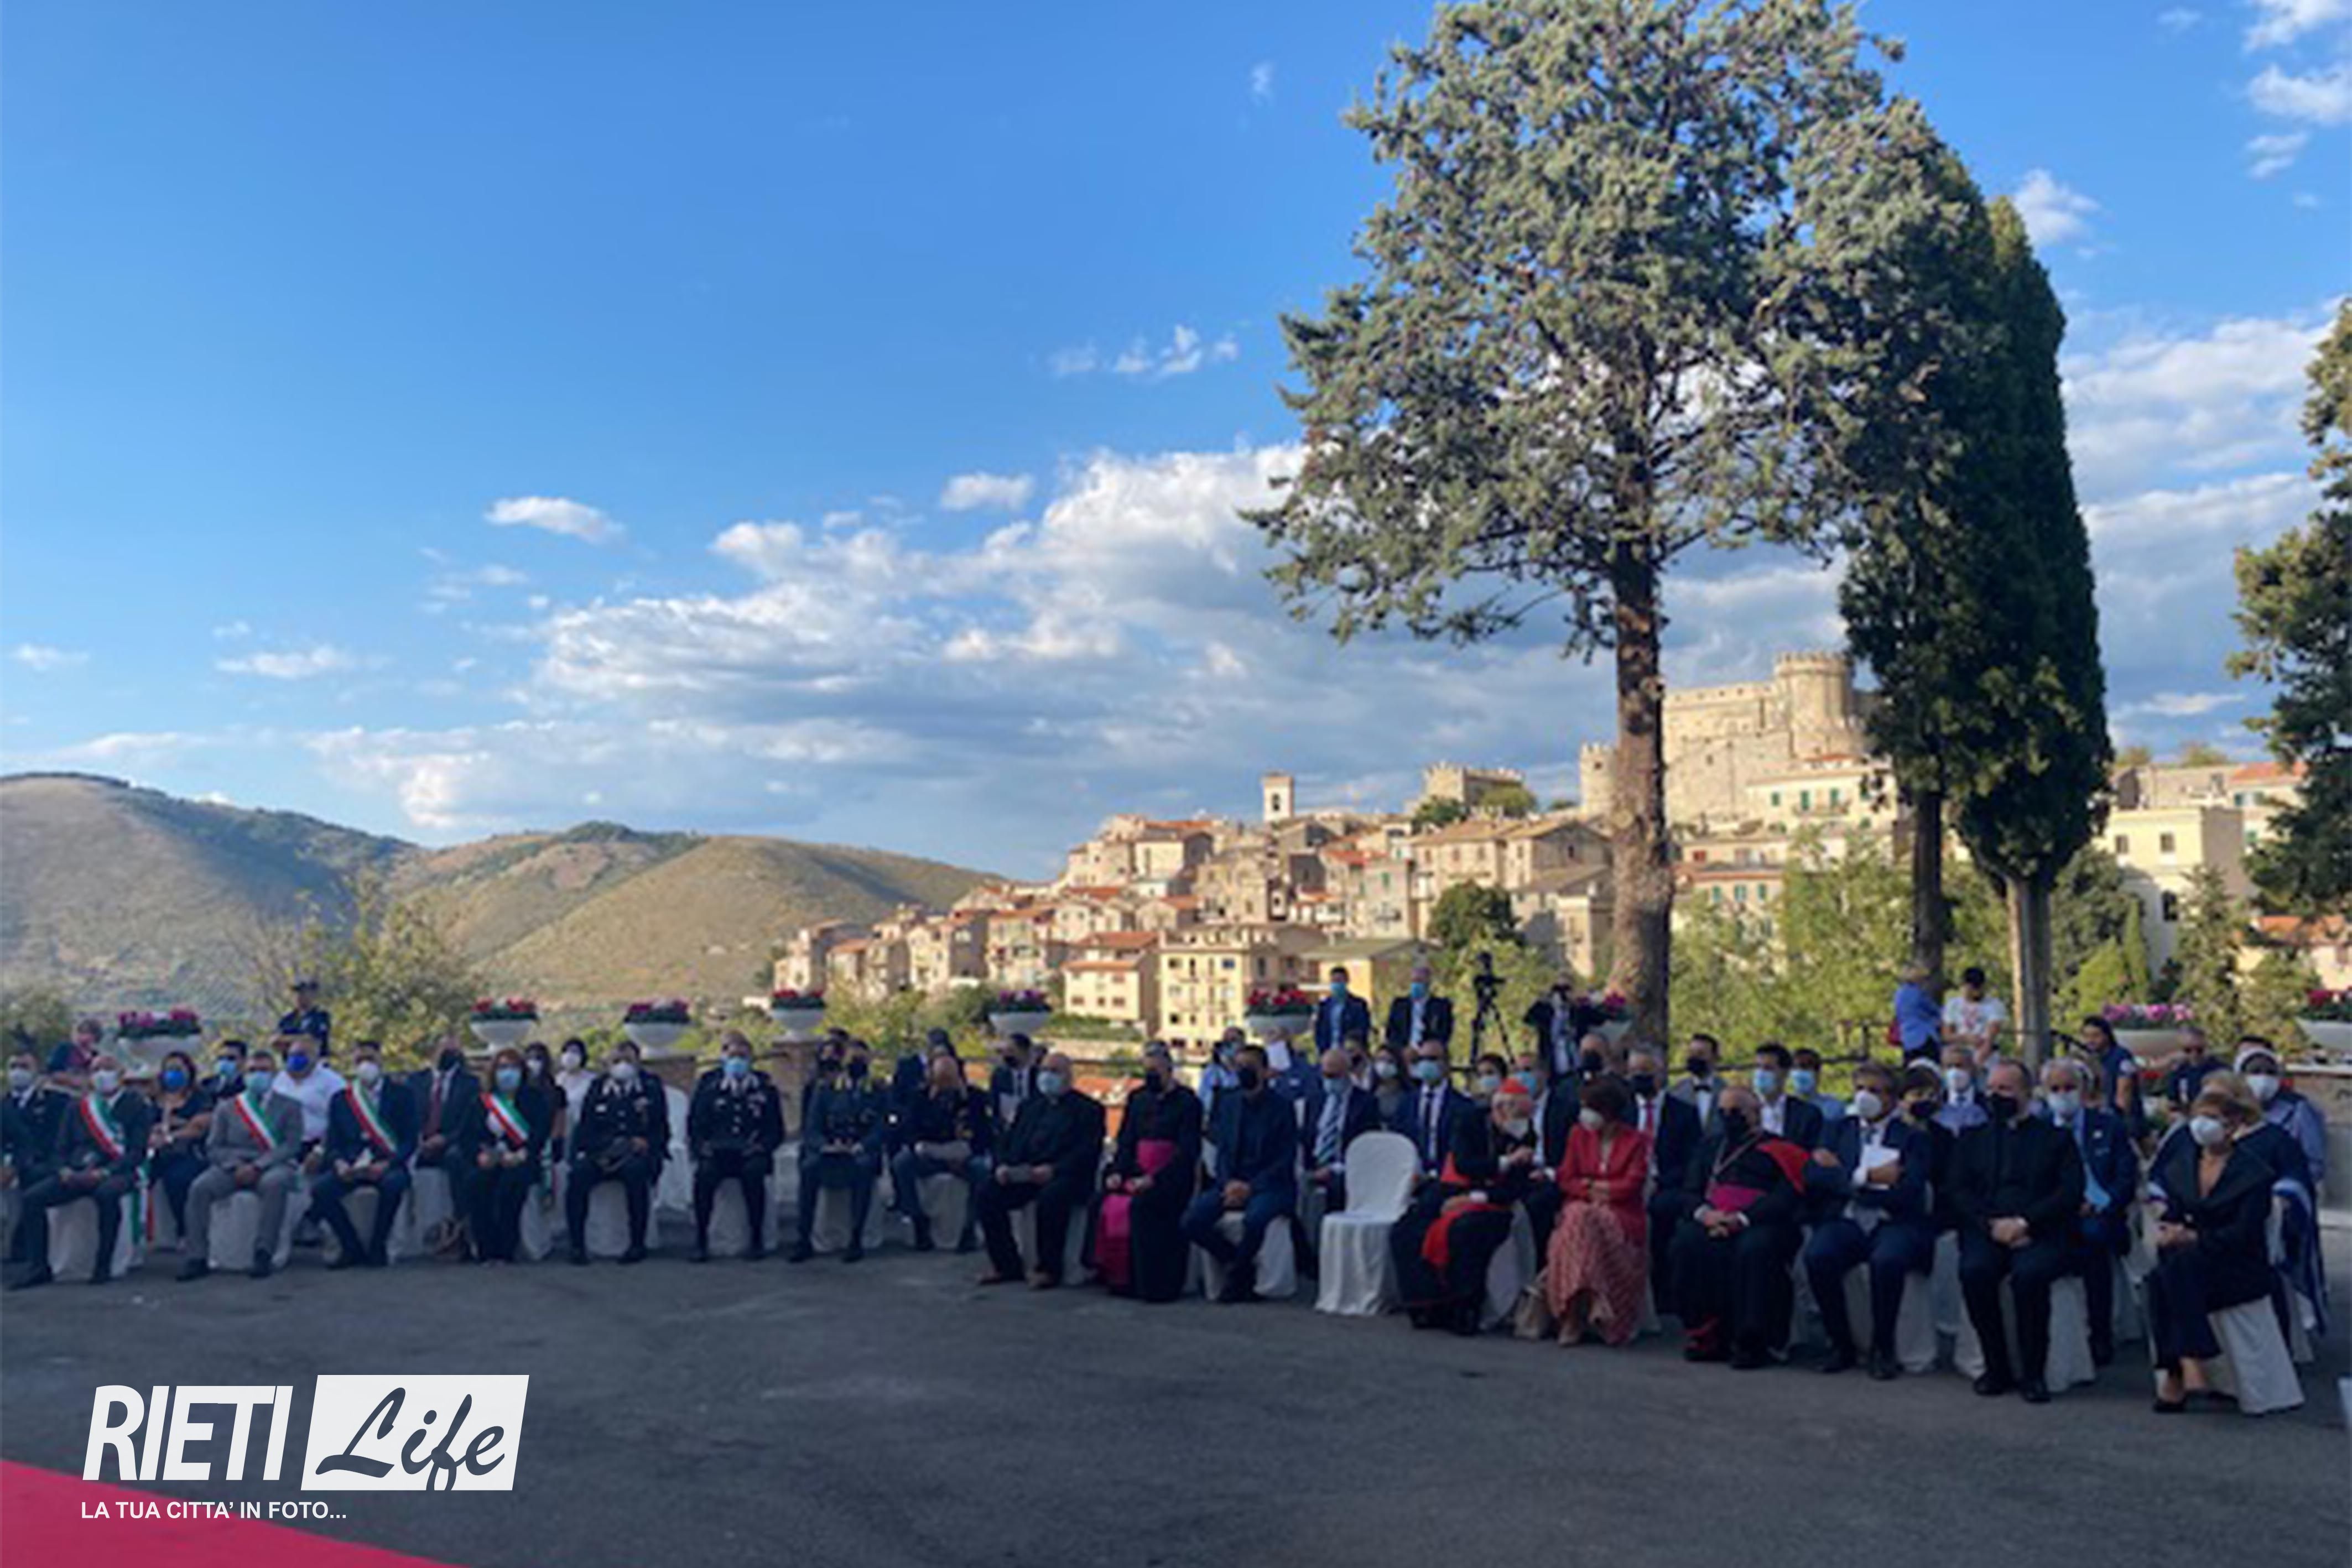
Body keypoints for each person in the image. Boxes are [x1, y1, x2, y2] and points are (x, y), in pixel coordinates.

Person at [1949, 1060, 2085, 1403]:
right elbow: (1958, 1191)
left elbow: (2069, 1192)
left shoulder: (2056, 1139)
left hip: (2041, 1230)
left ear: (2027, 1093)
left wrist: (2026, 1222)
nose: (1997, 1096)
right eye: (1992, 1089)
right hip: (1989, 1229)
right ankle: (1996, 1367)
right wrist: (1990, 1225)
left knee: (2030, 1277)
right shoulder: (1972, 1139)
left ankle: (2034, 1372)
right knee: (1974, 1271)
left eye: (2006, 1089)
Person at [2145, 1075, 2281, 1413]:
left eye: (2213, 1118)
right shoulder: (2183, 1166)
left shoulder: (2254, 1174)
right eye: (2199, 1117)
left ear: (2233, 1125)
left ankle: (2180, 1369)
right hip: (2191, 1265)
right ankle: (2187, 1360)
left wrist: (2195, 1238)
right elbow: (2175, 1212)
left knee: (2171, 1274)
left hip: (2236, 1265)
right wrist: (2170, 1229)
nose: (2203, 1125)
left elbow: (2244, 1234)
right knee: (2164, 1276)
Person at [1801, 1062, 1933, 1378]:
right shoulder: (1837, 1129)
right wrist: (1867, 1177)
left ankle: (1883, 1347)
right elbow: (1814, 1177)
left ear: (1892, 1098)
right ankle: (1840, 1344)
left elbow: (1908, 1191)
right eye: (1860, 1089)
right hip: (1846, 1220)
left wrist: (1843, 1176)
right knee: (1818, 1255)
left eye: (1875, 1091)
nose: (1865, 1097)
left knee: (1887, 1261)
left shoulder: (1912, 1137)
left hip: (1893, 1222)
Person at [1669, 1083, 1808, 1368]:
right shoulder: (1710, 1148)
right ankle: (1707, 1336)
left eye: (1736, 1111)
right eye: (1723, 1112)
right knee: (1686, 1242)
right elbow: (1690, 1190)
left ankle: (1752, 1342)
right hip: (1714, 1217)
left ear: (1755, 1112)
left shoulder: (1782, 1149)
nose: (1728, 1118)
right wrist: (1706, 1215)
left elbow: (1786, 1197)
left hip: (1761, 1222)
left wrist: (1742, 1219)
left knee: (1754, 1249)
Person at [1391, 1074, 1541, 1333]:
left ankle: (1463, 1308)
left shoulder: (1526, 1135)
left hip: (1492, 1199)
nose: (1523, 1122)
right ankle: (1423, 1305)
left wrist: (1475, 1198)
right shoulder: (1470, 1121)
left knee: (1465, 1231)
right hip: (1453, 1186)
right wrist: (1506, 1162)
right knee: (1407, 1230)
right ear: (1501, 1109)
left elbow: (1518, 1186)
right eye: (1519, 1115)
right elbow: (1464, 1164)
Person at [9, 1053, 153, 1288]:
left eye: (108, 1068)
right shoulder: (78, 1107)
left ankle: (103, 1265)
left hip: (117, 1170)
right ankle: (38, 1266)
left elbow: (137, 1152)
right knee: (33, 1198)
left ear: (120, 1074)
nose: (102, 1075)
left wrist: (105, 1172)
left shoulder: (136, 1106)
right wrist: (63, 1170)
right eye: (96, 1070)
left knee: (107, 1195)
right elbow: (60, 1148)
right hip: (77, 1170)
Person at [1183, 1044, 1301, 1303]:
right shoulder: (1229, 1103)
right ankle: (1237, 1264)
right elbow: (1223, 1152)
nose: (1243, 1072)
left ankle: (1237, 1280)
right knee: (1192, 1220)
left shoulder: (1282, 1108)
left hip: (1270, 1185)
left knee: (1255, 1219)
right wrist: (1228, 1184)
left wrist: (1251, 1188)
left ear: (1265, 1071)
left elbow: (1284, 1159)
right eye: (1239, 1067)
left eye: (1249, 1067)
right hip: (1232, 1182)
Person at [975, 1051, 1104, 1288]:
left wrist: (1054, 1169)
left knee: (1052, 1198)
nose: (1047, 1076)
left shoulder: (1089, 1110)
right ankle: (1006, 1264)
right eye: (1044, 1070)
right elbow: (1009, 1141)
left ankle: (1049, 1269)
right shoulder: (1030, 1107)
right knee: (987, 1193)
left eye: (1054, 1072)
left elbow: (1087, 1152)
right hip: (1027, 1173)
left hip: (1065, 1176)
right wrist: (1004, 1166)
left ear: (1069, 1076)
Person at [1541, 1074, 1652, 1346]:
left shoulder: (1636, 1141)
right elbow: (1566, 1178)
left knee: (1581, 1221)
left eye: (1589, 1107)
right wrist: (1594, 1189)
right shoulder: (1577, 1135)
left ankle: (1579, 1314)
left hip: (1621, 1216)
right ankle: (1577, 1310)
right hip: (1582, 1210)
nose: (1584, 1114)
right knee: (1580, 1219)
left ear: (1607, 1111)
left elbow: (1632, 1184)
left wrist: (1595, 1189)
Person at [2041, 1055, 2138, 1366]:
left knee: (2095, 1240)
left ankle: (2100, 1334)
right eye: (2055, 1088)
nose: (2063, 1094)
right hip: (2053, 1215)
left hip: (2101, 1212)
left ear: (2083, 1090)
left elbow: (2126, 1176)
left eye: (2069, 1087)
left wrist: (2104, 1203)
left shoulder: (2109, 1126)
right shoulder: (2038, 1130)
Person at [178, 1044, 301, 1282]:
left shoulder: (290, 1106)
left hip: (272, 1164)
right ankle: (197, 1256)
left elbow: (291, 1145)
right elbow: (214, 1146)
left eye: (264, 1071)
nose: (258, 1076)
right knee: (199, 1188)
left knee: (276, 1185)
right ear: (245, 1074)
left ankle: (264, 1252)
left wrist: (259, 1166)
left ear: (275, 1074)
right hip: (232, 1165)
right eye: (253, 1071)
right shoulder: (227, 1107)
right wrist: (235, 1166)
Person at [1098, 1044, 1202, 1301]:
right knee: (1103, 1201)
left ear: (1169, 1069)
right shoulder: (1138, 1099)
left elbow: (1187, 1151)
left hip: (1171, 1177)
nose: (1152, 1076)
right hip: (1137, 1171)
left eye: (1156, 1071)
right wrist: (1119, 1172)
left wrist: (1154, 1179)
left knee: (1145, 1207)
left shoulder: (1188, 1102)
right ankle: (1119, 1279)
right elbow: (1127, 1141)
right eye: (1147, 1072)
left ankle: (1154, 1285)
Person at [311, 1041, 417, 1269]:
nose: (365, 1065)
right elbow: (333, 1142)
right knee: (320, 1190)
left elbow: (410, 1140)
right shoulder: (342, 1099)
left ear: (381, 1061)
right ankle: (351, 1246)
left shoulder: (403, 1095)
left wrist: (389, 1163)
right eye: (360, 1060)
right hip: (352, 1164)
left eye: (370, 1059)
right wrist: (340, 1163)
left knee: (393, 1185)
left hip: (387, 1163)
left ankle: (378, 1245)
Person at [566, 1039, 670, 1263]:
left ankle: (637, 1244)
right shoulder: (598, 1088)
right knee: (578, 1176)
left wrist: (645, 1143)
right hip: (602, 1152)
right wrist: (604, 1147)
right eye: (617, 1060)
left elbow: (661, 1129)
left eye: (628, 1060)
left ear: (638, 1063)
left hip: (636, 1155)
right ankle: (577, 1245)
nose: (622, 1065)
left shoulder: (650, 1087)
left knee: (636, 1174)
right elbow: (585, 1128)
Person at [1623, 1045, 1703, 1315]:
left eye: (1645, 1071)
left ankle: (1663, 1294)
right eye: (1634, 1071)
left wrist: (1658, 1180)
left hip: (1666, 1183)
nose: (1639, 1077)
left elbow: (1692, 1160)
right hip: (1626, 1181)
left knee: (1664, 1211)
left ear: (1660, 1073)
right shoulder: (1622, 1111)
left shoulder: (1683, 1112)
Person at [792, 1039, 887, 1263]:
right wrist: (825, 1146)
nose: (856, 1063)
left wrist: (861, 1146)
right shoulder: (827, 1090)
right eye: (853, 1059)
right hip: (830, 1151)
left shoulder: (876, 1091)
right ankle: (803, 1239)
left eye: (861, 1059)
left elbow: (882, 1128)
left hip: (860, 1151)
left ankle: (856, 1238)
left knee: (864, 1168)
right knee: (809, 1168)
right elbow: (812, 1128)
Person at [891, 1049, 993, 1253]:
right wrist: (921, 1147)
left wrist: (967, 1151)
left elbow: (985, 1133)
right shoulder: (919, 1098)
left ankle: (970, 1226)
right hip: (931, 1155)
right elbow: (909, 1131)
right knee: (902, 1163)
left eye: (949, 1078)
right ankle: (918, 1219)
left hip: (963, 1157)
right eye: (941, 1079)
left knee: (982, 1170)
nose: (946, 1084)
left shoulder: (975, 1098)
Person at [464, 1047, 551, 1264]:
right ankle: (485, 1249)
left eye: (513, 1067)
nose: (508, 1073)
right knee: (476, 1184)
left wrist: (523, 1154)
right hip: (490, 1159)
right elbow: (467, 1136)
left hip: (522, 1160)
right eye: (502, 1067)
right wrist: (479, 1156)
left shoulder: (535, 1099)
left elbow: (540, 1133)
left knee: (510, 1187)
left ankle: (505, 1249)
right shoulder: (482, 1101)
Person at [409, 1038, 480, 1248]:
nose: (447, 1055)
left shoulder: (470, 1084)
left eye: (453, 1052)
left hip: (452, 1143)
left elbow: (470, 1122)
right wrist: (418, 1138)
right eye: (444, 1050)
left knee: (456, 1159)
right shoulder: (415, 1081)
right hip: (419, 1142)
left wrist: (446, 1139)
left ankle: (460, 1222)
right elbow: (406, 1116)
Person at [2, 1050, 68, 1270]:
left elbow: (55, 1140)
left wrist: (17, 1165)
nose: (17, 1072)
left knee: (33, 1180)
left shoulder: (55, 1102)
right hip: (10, 1161)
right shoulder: (4, 1104)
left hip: (42, 1161)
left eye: (24, 1067)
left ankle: (26, 1249)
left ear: (37, 1072)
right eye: (13, 1067)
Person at [146, 1049, 216, 1240]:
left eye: (178, 1069)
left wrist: (173, 1135)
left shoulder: (200, 1098)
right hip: (156, 1153)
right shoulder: (153, 1099)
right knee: (141, 1178)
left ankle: (185, 1230)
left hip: (188, 1152)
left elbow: (199, 1127)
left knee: (177, 1180)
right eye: (169, 1069)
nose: (173, 1074)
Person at [1304, 1044, 1383, 1215]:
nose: (1329, 1080)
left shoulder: (1365, 1103)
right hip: (1314, 1166)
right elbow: (1307, 1137)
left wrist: (1335, 1168)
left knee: (1337, 1188)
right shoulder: (1315, 1100)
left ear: (1347, 1073)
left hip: (1345, 1167)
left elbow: (1367, 1145)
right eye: (1325, 1075)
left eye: (1334, 1076)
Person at [1394, 1039, 1474, 1174]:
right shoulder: (1406, 1103)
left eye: (1432, 1059)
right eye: (1421, 1059)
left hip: (1448, 1175)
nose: (1426, 1064)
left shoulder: (1463, 1106)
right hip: (1411, 1173)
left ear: (1446, 1064)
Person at [271, 1033, 346, 1156]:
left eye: (301, 1055)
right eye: (292, 1055)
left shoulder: (333, 1082)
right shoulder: (279, 1080)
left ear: (315, 1057)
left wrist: (320, 1151)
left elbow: (339, 1121)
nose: (295, 1059)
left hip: (316, 1146)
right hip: (283, 1145)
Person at [2079, 1015, 2146, 1141]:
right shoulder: (2091, 1058)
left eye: (2095, 1036)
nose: (2090, 1041)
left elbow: (2124, 1095)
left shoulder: (2121, 1057)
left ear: (2107, 1036)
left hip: (2124, 1123)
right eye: (2086, 1036)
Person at [1747, 1044, 1826, 1149]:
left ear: (1785, 1073)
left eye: (1768, 1068)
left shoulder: (1807, 1114)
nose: (1760, 1074)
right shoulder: (1744, 1111)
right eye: (1757, 1067)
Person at [1523, 975, 1590, 1082]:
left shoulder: (1579, 1009)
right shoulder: (1546, 1010)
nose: (1562, 993)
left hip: (1576, 1060)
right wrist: (1543, 1002)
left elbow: (1599, 1018)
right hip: (1552, 1063)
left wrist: (1580, 1003)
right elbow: (1528, 1019)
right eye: (1558, 989)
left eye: (1566, 989)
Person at [1383, 962, 1454, 1056]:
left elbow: (1444, 1032)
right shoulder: (1399, 1005)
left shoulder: (1441, 1006)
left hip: (1429, 1052)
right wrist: (1402, 1049)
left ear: (1428, 983)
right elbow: (1391, 1032)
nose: (1416, 985)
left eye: (1420, 981)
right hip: (1403, 1051)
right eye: (1413, 981)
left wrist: (1430, 1046)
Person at [1941, 967, 2009, 1061]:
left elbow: (1991, 1034)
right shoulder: (1953, 1005)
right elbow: (1947, 1035)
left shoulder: (1994, 1005)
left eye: (1976, 989)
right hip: (1960, 1050)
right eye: (1968, 989)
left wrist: (1983, 1052)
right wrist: (1965, 1038)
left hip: (1984, 1051)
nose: (1973, 993)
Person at [2160, 1027, 2224, 1112]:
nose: (2194, 1055)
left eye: (2199, 1050)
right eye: (2188, 1050)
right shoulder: (2179, 1071)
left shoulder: (2220, 1070)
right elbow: (2172, 1100)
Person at [1314, 967, 1373, 1057]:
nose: (1336, 985)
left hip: (1351, 1052)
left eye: (1339, 981)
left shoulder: (1358, 1005)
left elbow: (1363, 1028)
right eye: (1334, 981)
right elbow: (1319, 1030)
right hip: (1328, 1052)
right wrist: (1322, 1049)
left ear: (1346, 981)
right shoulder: (1324, 1006)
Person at [522, 1041, 568, 1160]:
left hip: (546, 1148)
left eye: (538, 1058)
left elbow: (560, 1123)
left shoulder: (557, 1092)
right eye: (529, 1058)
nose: (533, 1063)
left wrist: (554, 1145)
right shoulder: (519, 1091)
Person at [988, 1033, 1042, 1130]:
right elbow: (994, 1104)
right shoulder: (999, 1076)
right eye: (1004, 1051)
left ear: (1024, 1052)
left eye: (1011, 1051)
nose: (1006, 1055)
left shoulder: (1039, 1076)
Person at [1892, 962, 1942, 1062]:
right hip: (1924, 1036)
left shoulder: (1899, 994)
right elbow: (1934, 1010)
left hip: (1907, 1038)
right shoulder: (1919, 994)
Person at [1198, 1028, 1245, 1131]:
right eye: (1226, 1041)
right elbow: (1202, 1097)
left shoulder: (1247, 1070)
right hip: (1214, 1124)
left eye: (1234, 1040)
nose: (1229, 1045)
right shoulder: (1211, 1071)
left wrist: (1233, 1067)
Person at [1937, 1044, 1989, 1134]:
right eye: (1949, 1067)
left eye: (1959, 1066)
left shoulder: (1987, 1104)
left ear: (1973, 1069)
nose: (1954, 1072)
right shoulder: (1937, 1104)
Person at [276, 977, 332, 1059]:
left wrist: (287, 1039)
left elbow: (312, 1039)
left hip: (316, 1062)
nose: (299, 996)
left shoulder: (321, 1016)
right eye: (297, 993)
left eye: (303, 993)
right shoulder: (287, 1019)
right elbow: (275, 1040)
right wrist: (297, 1038)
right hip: (291, 1062)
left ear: (313, 994)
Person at [1788, 1048, 1844, 1127]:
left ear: (1817, 1073)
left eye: (1804, 1067)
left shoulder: (1833, 1107)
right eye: (1795, 1068)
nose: (1799, 1072)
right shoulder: (1783, 1107)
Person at [1669, 1035, 1721, 1117]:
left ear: (1715, 1058)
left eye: (1701, 1054)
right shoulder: (1675, 1092)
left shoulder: (1726, 1091)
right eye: (1691, 1053)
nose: (1694, 1058)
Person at [45, 1018, 102, 1089]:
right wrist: (77, 1081)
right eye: (82, 1032)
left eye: (89, 1033)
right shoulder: (64, 1048)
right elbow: (53, 1073)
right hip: (60, 1091)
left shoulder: (95, 1055)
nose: (85, 1036)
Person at [1368, 1043, 1412, 1129]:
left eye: (1390, 1061)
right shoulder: (1370, 1095)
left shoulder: (1409, 1096)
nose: (1384, 1065)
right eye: (1380, 1060)